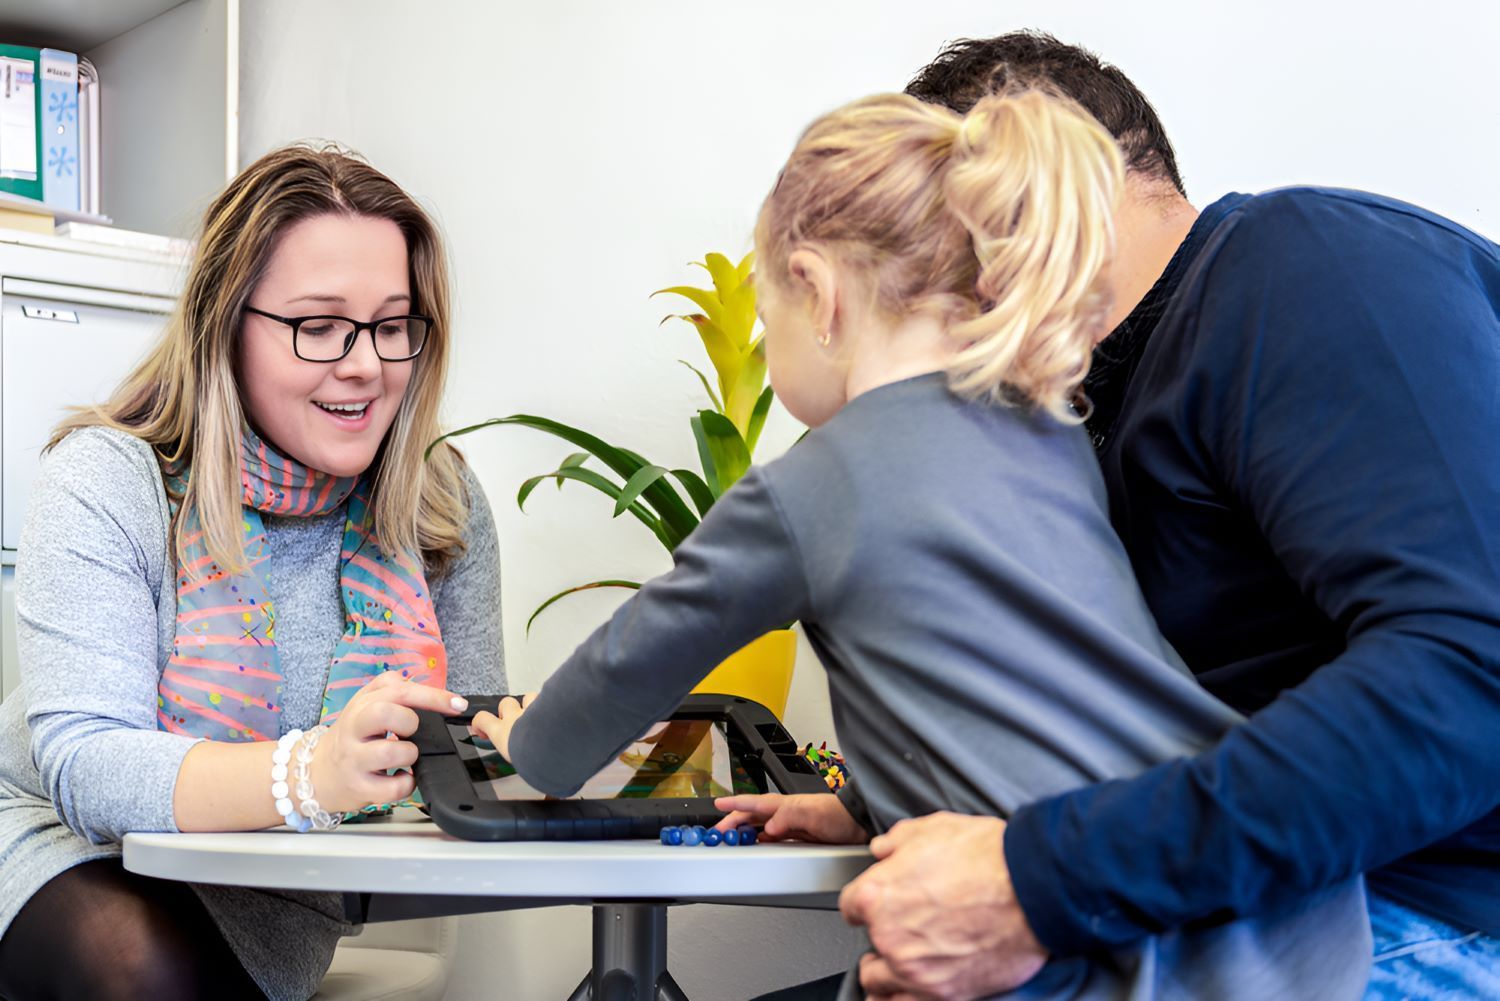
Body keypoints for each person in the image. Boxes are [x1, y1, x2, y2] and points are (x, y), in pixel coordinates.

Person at [472, 88, 1371, 999]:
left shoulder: (817, 483)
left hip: (1080, 952)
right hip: (1266, 920)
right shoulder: (1047, 431)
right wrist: (857, 803)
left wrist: (532, 743)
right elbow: (1025, 682)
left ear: (817, 293)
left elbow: (639, 655)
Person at [814, 32, 1500, 1001]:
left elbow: (1475, 669)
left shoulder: (1305, 264)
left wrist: (1036, 879)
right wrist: (868, 799)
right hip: (1288, 905)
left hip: (1438, 915)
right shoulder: (1083, 405)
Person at [0, 145, 505, 1001]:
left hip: (273, 900)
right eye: (318, 325)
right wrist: (311, 772)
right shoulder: (109, 478)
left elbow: (466, 758)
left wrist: (532, 750)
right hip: (60, 847)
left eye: (391, 324)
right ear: (225, 323)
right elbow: (85, 765)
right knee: (142, 971)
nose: (365, 364)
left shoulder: (437, 500)